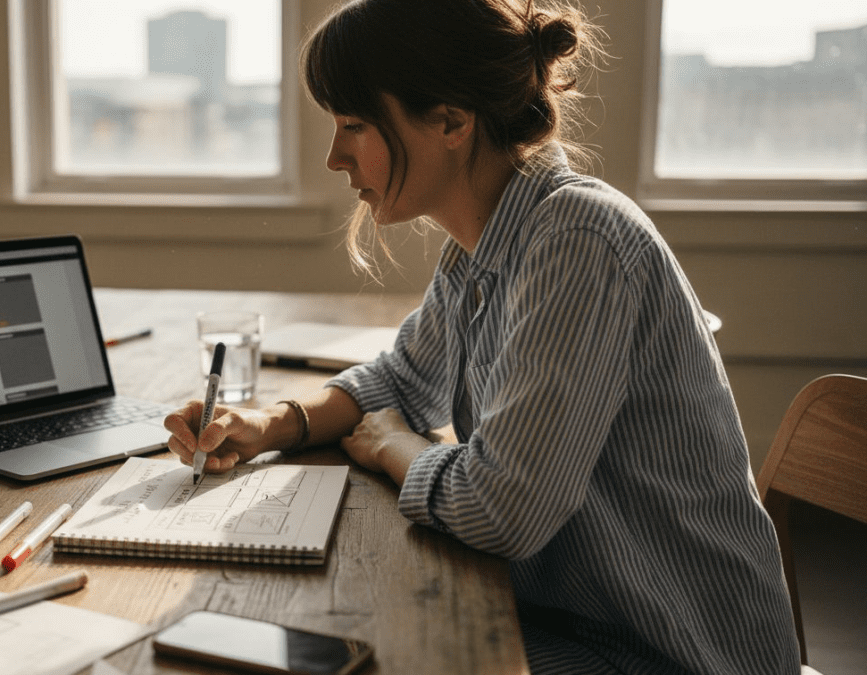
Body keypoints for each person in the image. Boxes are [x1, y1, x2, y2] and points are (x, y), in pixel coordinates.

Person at [163, 0, 801, 672]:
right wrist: (268, 423)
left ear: (451, 120)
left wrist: (395, 448)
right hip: (577, 620)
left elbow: (503, 509)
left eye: (354, 123)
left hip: (669, 651)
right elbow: (403, 379)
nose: (333, 156)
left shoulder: (577, 238)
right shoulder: (484, 246)